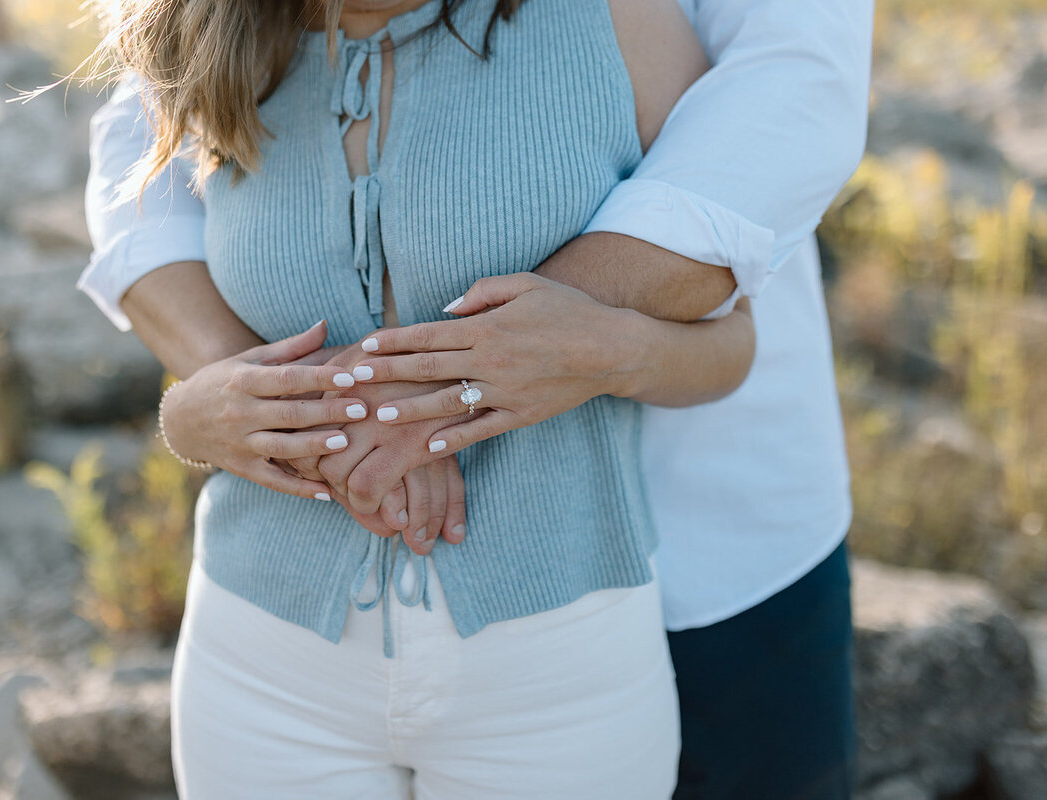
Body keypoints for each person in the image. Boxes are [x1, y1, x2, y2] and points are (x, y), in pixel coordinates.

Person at [80, 2, 873, 799]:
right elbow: (141, 149)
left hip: (626, 598)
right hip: (268, 649)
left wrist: (447, 386)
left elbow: (794, 96)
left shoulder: (612, 21)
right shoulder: (233, 32)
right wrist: (200, 406)